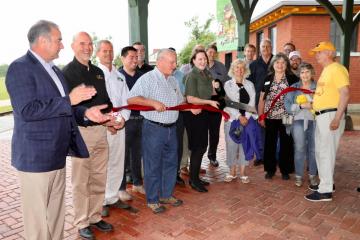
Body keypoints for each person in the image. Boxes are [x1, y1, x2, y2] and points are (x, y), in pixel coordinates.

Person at [5, 20, 110, 240]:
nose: (62, 45)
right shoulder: (20, 67)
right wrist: (69, 100)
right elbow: (27, 110)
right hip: (35, 157)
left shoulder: (54, 70)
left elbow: (67, 106)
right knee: (38, 222)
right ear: (43, 41)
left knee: (55, 215)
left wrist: (85, 113)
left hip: (56, 154)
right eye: (59, 40)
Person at [62, 32, 121, 239]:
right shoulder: (67, 73)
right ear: (73, 46)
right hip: (81, 133)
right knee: (81, 181)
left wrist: (112, 119)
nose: (87, 48)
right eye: (82, 44)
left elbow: (106, 101)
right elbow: (67, 107)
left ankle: (95, 216)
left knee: (98, 177)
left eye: (89, 44)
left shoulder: (97, 72)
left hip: (100, 131)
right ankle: (81, 221)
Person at [127, 49, 184, 213]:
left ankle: (166, 194)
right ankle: (152, 199)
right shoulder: (147, 79)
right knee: (152, 165)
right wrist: (152, 103)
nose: (175, 65)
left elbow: (180, 101)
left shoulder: (173, 81)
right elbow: (131, 99)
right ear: (160, 62)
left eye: (175, 62)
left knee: (171, 163)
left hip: (171, 128)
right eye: (172, 62)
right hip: (154, 128)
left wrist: (193, 107)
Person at [305, 41, 350, 202]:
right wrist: (311, 104)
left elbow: (345, 93)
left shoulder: (337, 69)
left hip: (330, 116)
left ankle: (325, 191)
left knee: (326, 153)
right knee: (321, 152)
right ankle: (326, 183)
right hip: (322, 116)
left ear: (329, 53)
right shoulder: (327, 70)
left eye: (319, 52)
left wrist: (337, 118)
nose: (316, 55)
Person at [96, 40, 134, 217]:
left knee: (118, 161)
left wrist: (123, 120)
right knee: (102, 164)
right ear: (97, 53)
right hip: (102, 125)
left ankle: (112, 196)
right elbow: (93, 103)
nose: (108, 54)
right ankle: (101, 201)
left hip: (119, 124)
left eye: (110, 51)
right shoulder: (95, 74)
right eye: (104, 51)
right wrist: (107, 122)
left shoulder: (119, 76)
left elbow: (126, 101)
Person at [183, 49, 220, 193]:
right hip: (194, 115)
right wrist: (209, 102)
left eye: (204, 59)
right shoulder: (192, 76)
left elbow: (212, 93)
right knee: (198, 147)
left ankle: (196, 177)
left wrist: (216, 88)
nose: (203, 61)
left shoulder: (207, 74)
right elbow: (190, 98)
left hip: (204, 113)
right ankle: (193, 180)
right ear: (193, 60)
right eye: (199, 59)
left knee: (202, 146)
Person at [258, 53, 298, 180]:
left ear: (286, 65)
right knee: (270, 143)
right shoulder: (267, 78)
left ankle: (285, 170)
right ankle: (270, 169)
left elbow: (298, 98)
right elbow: (261, 99)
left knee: (287, 143)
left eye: (283, 63)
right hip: (270, 115)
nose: (280, 65)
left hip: (287, 116)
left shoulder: (292, 78)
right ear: (273, 64)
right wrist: (261, 116)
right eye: (277, 63)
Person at [223, 59, 257, 183]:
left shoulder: (250, 84)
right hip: (232, 120)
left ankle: (242, 172)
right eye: (237, 67)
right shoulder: (227, 84)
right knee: (231, 145)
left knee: (245, 145)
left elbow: (252, 102)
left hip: (247, 120)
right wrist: (239, 117)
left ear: (245, 70)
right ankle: (232, 171)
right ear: (233, 69)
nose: (239, 70)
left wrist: (246, 117)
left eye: (242, 67)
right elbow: (228, 103)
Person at [119, 46, 146, 200]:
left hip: (141, 120)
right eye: (131, 57)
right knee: (122, 156)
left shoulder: (142, 77)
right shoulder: (118, 76)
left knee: (137, 154)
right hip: (125, 121)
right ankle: (121, 187)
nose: (135, 60)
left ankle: (137, 183)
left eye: (136, 57)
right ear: (122, 58)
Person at [284, 63, 317, 187]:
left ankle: (312, 175)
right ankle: (298, 175)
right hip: (297, 121)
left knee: (313, 149)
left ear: (312, 73)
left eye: (307, 72)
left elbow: (323, 103)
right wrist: (301, 106)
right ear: (299, 74)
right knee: (299, 148)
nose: (305, 75)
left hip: (314, 121)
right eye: (302, 72)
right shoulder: (294, 88)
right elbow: (287, 106)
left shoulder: (318, 87)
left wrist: (314, 105)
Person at [248, 39, 273, 166]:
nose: (265, 49)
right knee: (260, 127)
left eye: (268, 46)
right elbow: (249, 84)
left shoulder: (277, 61)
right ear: (260, 48)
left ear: (271, 47)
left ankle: (272, 155)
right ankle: (260, 155)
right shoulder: (254, 65)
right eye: (263, 46)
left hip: (274, 100)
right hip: (259, 101)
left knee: (273, 128)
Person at [205, 44, 228, 167]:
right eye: (209, 52)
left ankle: (212, 156)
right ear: (206, 52)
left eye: (214, 52)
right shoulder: (201, 66)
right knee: (202, 132)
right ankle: (197, 157)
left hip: (217, 102)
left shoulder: (221, 67)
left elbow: (227, 83)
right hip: (203, 102)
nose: (211, 54)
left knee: (214, 132)